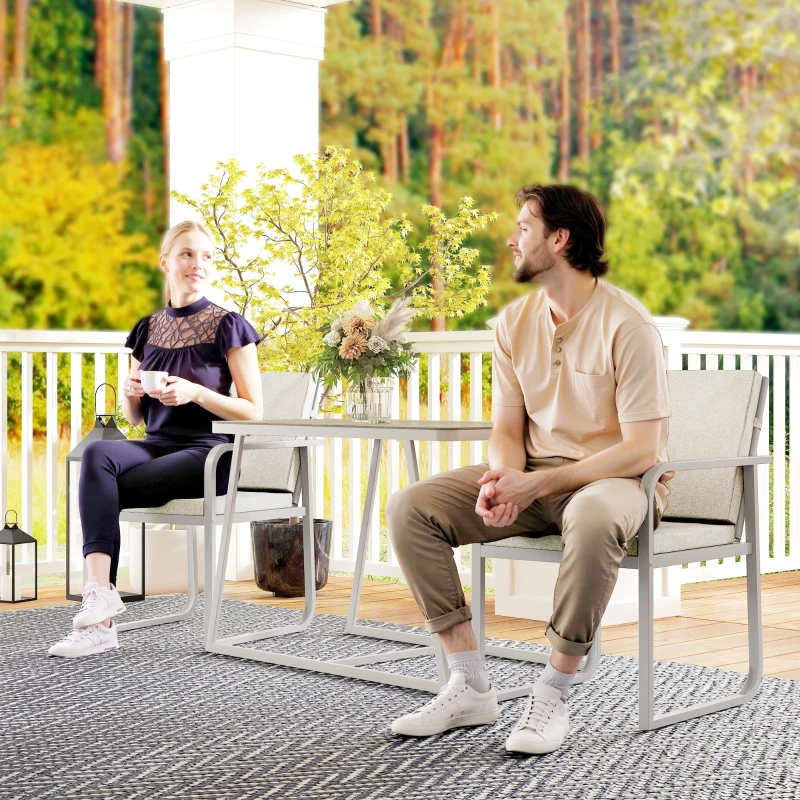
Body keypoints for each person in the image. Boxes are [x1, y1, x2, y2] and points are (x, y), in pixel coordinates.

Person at [386, 184, 672, 755]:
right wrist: (501, 481)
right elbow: (507, 426)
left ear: (559, 239)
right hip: (536, 476)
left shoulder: (628, 326)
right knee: (410, 507)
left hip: (617, 482)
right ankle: (469, 683)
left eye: (523, 228)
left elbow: (643, 449)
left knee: (593, 516)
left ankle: (553, 693)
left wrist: (535, 483)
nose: (512, 241)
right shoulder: (514, 323)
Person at [49, 221, 264, 659]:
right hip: (156, 444)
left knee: (103, 492)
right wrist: (131, 393)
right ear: (165, 262)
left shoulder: (229, 326)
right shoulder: (147, 329)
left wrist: (196, 393)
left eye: (206, 256)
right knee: (97, 454)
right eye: (187, 254)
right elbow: (135, 418)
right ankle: (101, 597)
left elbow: (253, 411)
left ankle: (101, 616)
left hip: (209, 453)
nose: (198, 264)